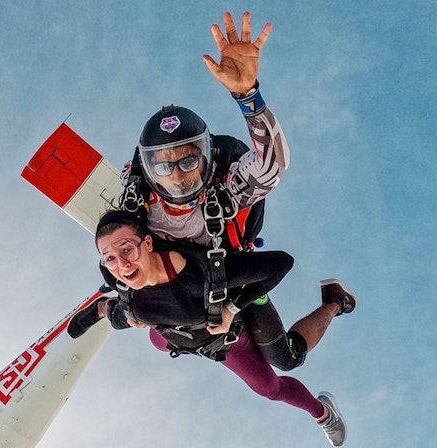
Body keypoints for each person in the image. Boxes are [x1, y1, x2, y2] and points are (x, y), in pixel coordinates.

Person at [117, 12, 354, 371]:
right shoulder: (137, 200)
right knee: (164, 332)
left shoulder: (225, 190)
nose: (177, 178)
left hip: (237, 280)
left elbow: (272, 166)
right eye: (164, 167)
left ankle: (335, 302)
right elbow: (109, 248)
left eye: (188, 162)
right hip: (186, 286)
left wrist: (248, 96)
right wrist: (125, 300)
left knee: (285, 359)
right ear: (148, 171)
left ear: (207, 158)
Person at [70, 211, 348, 446]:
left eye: (127, 249)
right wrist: (103, 310)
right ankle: (103, 308)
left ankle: (335, 306)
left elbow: (282, 264)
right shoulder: (126, 291)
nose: (122, 264)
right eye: (109, 258)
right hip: (182, 336)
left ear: (148, 243)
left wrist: (232, 308)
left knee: (283, 368)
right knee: (139, 324)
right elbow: (120, 307)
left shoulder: (201, 274)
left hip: (232, 316)